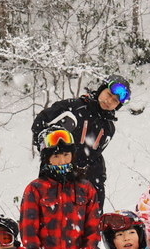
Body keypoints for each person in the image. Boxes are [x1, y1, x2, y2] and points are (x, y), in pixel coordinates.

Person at [20, 126, 101, 249]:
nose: (62, 161)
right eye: (55, 156)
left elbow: (93, 236)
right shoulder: (35, 190)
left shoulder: (86, 189)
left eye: (66, 154)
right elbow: (29, 240)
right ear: (46, 158)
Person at [31, 75, 131, 209]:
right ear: (101, 89)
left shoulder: (109, 128)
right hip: (56, 173)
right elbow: (39, 124)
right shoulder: (74, 107)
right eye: (108, 94)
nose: (109, 101)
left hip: (85, 182)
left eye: (115, 101)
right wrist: (50, 153)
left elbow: (94, 155)